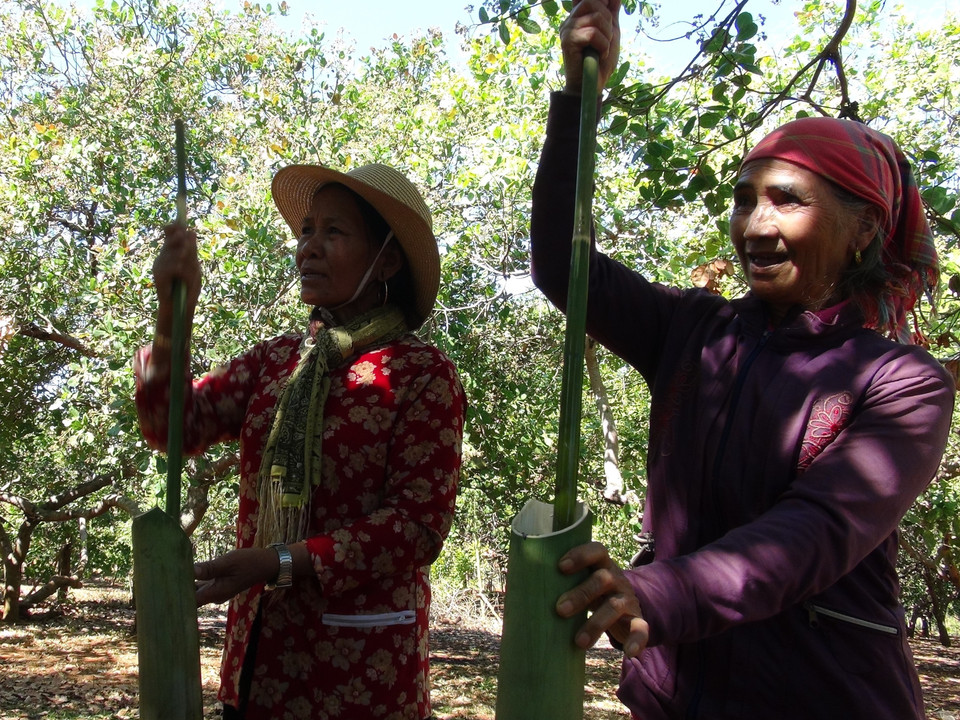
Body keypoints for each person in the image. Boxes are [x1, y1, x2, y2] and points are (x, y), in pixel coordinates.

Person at [532, 1, 955, 718]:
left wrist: (655, 592)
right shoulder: (693, 330)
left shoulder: (903, 384)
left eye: (787, 201)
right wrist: (577, 98)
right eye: (743, 200)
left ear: (864, 230)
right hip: (674, 699)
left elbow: (812, 534)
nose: (755, 226)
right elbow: (560, 267)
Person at [135, 162, 466, 720]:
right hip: (259, 671)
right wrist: (174, 311)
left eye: (334, 232)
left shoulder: (422, 374)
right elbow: (173, 426)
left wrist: (281, 562)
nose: (308, 247)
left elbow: (417, 526)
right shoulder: (277, 361)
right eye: (307, 230)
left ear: (386, 259)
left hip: (360, 679)